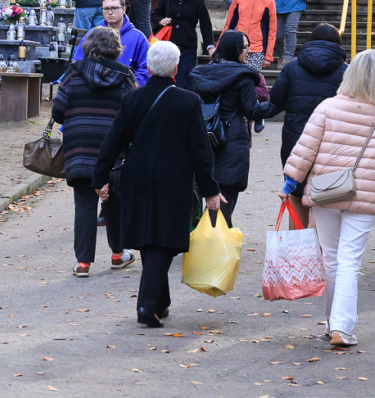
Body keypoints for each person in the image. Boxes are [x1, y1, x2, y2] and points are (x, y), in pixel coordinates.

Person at [282, 49, 375, 348]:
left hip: (326, 192)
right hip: (364, 196)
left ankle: (333, 323)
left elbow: (306, 148)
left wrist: (291, 181)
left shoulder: (328, 107)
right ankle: (341, 328)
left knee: (330, 258)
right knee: (348, 261)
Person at [91, 40, 224, 328]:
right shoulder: (188, 101)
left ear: (149, 67)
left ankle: (160, 302)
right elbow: (200, 151)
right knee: (163, 241)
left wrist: (100, 178)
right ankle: (147, 305)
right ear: (176, 68)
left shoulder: (133, 99)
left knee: (153, 239)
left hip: (137, 177)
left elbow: (112, 140)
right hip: (174, 179)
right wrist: (211, 189)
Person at [53, 26, 138, 277]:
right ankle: (117, 254)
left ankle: (83, 263)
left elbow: (58, 111)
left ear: (88, 46)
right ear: (116, 48)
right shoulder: (125, 75)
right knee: (115, 203)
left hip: (79, 147)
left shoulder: (73, 72)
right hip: (113, 151)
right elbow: (133, 112)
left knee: (84, 204)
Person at [260, 23, 348, 228]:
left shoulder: (292, 67)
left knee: (296, 195)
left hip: (295, 141)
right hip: (331, 143)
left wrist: (251, 110)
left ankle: (298, 252)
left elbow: (275, 102)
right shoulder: (346, 71)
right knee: (323, 200)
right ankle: (318, 252)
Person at [189, 31, 269, 226]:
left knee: (208, 192)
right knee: (226, 194)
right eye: (245, 47)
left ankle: (212, 238)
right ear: (235, 49)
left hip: (205, 137)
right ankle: (214, 246)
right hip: (233, 140)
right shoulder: (243, 76)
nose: (249, 51)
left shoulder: (203, 73)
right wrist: (279, 103)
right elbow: (253, 110)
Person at [150, 0, 214, 89]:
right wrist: (161, 21)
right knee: (167, 79)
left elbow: (206, 25)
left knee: (185, 81)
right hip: (168, 45)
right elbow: (155, 15)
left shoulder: (198, 1)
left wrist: (209, 46)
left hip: (188, 46)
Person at [74, 0, 149, 86]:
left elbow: (145, 68)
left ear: (124, 9)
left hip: (125, 91)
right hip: (94, 89)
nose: (110, 12)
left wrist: (132, 87)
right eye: (106, 9)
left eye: (114, 8)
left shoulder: (138, 37)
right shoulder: (92, 34)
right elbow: (78, 61)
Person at [220, 0, 277, 72]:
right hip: (237, 47)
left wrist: (268, 55)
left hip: (257, 49)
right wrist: (219, 47)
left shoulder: (269, 2)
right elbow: (229, 25)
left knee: (251, 81)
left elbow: (272, 31)